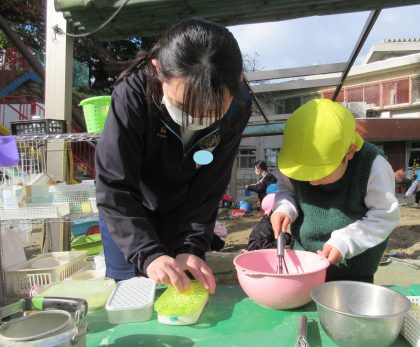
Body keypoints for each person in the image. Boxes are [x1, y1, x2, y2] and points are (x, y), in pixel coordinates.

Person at [95, 18, 251, 295]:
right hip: (129, 212)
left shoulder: (238, 106)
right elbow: (114, 184)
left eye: (212, 109)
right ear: (158, 71)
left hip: (183, 210)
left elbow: (210, 183)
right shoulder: (133, 94)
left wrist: (191, 246)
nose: (197, 118)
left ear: (237, 82)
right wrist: (147, 252)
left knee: (183, 287)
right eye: (183, 105)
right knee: (133, 293)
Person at [270, 99, 400, 283]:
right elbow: (286, 190)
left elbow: (384, 216)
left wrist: (345, 242)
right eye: (303, 174)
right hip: (305, 263)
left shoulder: (373, 166)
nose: (312, 182)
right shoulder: (294, 158)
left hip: (353, 269)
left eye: (321, 173)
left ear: (350, 152)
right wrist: (284, 208)